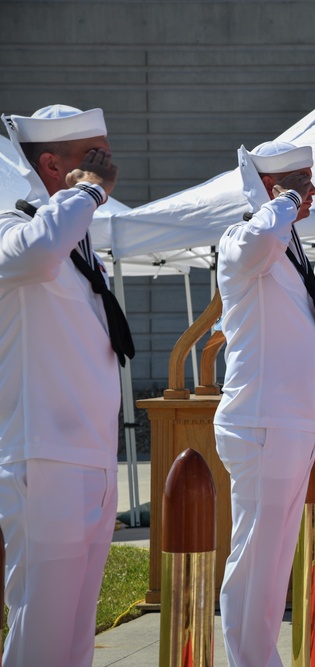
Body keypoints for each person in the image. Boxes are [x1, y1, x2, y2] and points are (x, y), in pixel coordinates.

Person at [0, 105, 131, 665]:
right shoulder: (14, 229)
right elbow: (34, 252)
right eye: (91, 159)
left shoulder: (80, 246)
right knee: (43, 632)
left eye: (106, 156)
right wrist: (88, 194)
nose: (105, 169)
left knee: (76, 634)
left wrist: (84, 198)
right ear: (51, 165)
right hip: (45, 459)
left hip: (92, 457)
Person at [213, 141, 315, 667]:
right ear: (271, 188)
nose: (311, 191)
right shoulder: (243, 237)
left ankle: (258, 658)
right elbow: (253, 243)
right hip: (261, 422)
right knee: (256, 559)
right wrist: (282, 201)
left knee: (275, 560)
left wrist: (286, 204)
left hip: (289, 421)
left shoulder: (288, 243)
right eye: (300, 182)